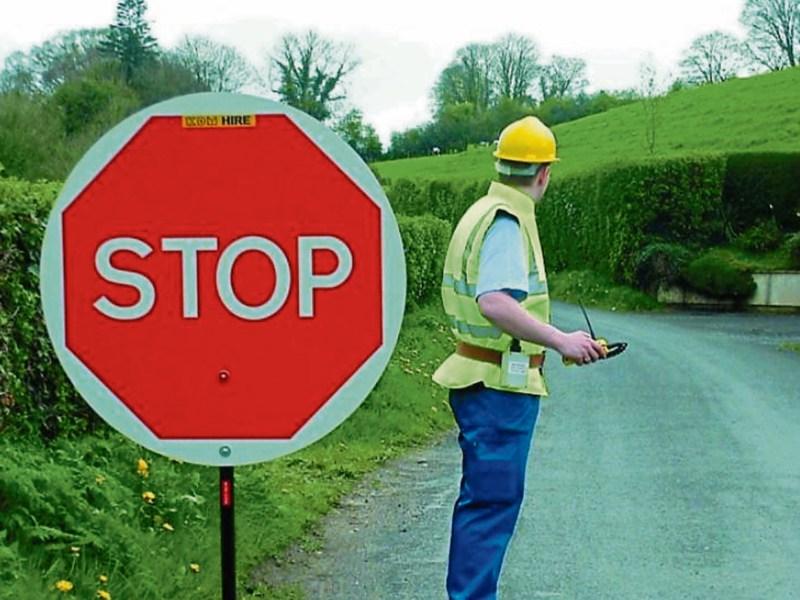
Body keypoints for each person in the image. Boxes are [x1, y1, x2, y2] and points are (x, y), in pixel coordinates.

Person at [432, 116, 606, 600]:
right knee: (491, 504)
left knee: (486, 502)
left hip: (483, 377)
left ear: (501, 165)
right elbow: (495, 302)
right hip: (498, 386)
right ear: (544, 173)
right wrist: (560, 340)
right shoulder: (508, 222)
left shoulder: (483, 210)